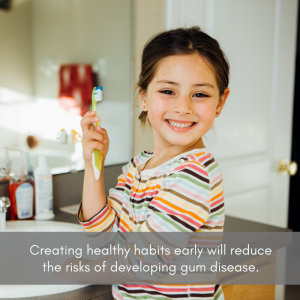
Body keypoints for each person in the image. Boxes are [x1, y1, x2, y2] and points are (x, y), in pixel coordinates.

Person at [78, 26, 230, 300]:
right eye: (168, 91)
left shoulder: (193, 175)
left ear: (220, 102)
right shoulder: (139, 166)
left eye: (200, 94)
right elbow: (101, 237)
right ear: (144, 97)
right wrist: (92, 165)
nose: (183, 107)